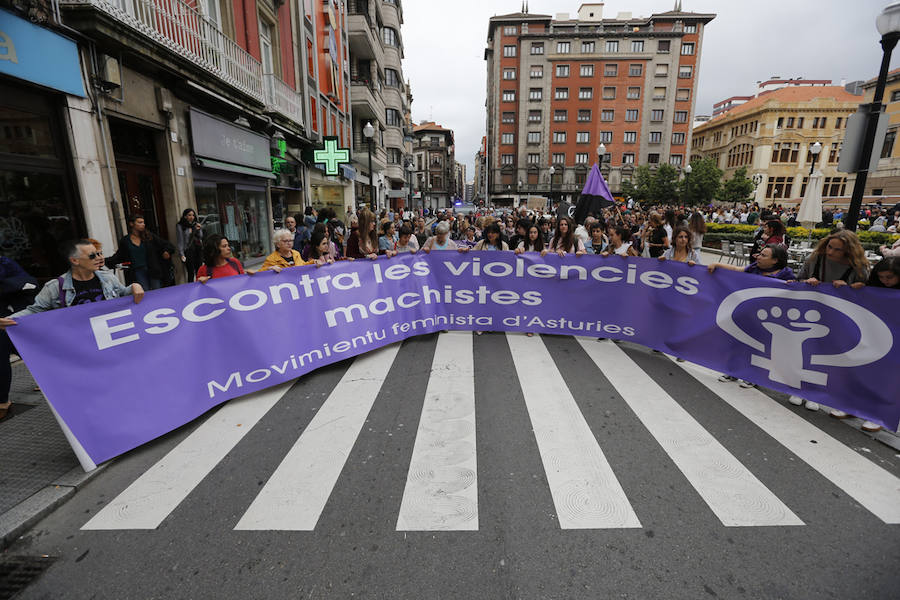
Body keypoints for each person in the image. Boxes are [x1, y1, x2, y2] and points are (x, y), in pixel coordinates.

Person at [0, 240, 146, 409]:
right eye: (92, 255)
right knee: (91, 393)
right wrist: (10, 320)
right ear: (75, 260)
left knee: (119, 386)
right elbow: (34, 310)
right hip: (79, 351)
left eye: (99, 253)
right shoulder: (55, 287)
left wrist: (134, 286)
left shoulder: (107, 277)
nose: (99, 258)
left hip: (108, 344)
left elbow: (121, 294)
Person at [0, 256, 38, 419]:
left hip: (13, 314)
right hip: (8, 314)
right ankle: (3, 401)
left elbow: (26, 283)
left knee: (28, 352)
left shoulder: (4, 262)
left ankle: (2, 402)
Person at [106, 215, 176, 290]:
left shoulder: (149, 236)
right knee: (144, 292)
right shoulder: (125, 241)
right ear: (131, 224)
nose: (143, 224)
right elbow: (119, 256)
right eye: (140, 222)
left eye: (143, 222)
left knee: (157, 292)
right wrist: (105, 261)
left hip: (152, 270)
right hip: (137, 272)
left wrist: (167, 251)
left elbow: (166, 244)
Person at [795, 230, 870, 288]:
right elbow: (797, 281)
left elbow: (866, 292)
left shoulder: (859, 267)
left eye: (838, 250)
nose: (830, 252)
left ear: (848, 251)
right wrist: (806, 282)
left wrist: (849, 288)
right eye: (829, 246)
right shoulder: (813, 259)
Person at [708, 244, 793, 280]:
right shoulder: (753, 268)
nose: (758, 257)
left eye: (763, 256)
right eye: (760, 254)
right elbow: (735, 268)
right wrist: (716, 264)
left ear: (775, 260)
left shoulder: (786, 276)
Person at [175, 208, 204, 283]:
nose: (192, 217)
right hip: (188, 250)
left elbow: (200, 236)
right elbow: (180, 240)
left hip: (198, 249)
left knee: (199, 271)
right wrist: (181, 253)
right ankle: (191, 289)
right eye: (189, 215)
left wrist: (199, 229)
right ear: (185, 216)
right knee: (190, 272)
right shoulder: (180, 226)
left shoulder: (195, 224)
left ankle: (200, 287)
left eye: (193, 215)